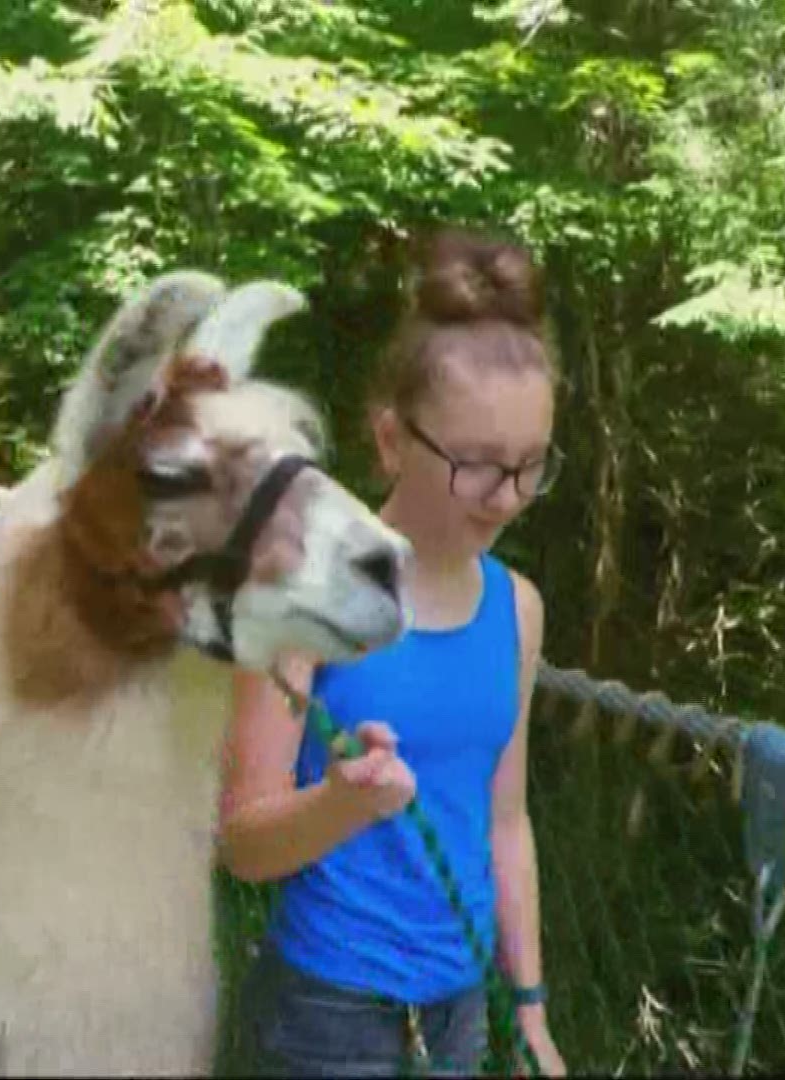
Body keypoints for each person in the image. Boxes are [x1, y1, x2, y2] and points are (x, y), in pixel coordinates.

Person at [218, 228, 569, 1077]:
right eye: (479, 466)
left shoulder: (518, 612)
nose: (509, 498)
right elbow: (242, 841)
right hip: (322, 1024)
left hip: (461, 1019)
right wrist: (340, 803)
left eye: (531, 467)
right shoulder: (302, 596)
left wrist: (529, 1009)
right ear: (389, 440)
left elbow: (505, 821)